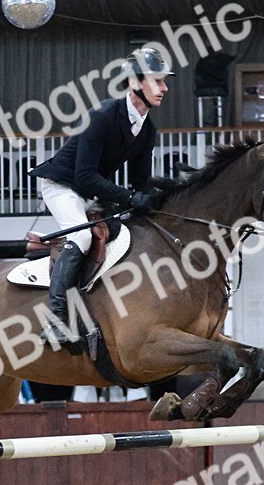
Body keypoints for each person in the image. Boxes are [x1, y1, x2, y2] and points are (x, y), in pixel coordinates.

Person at [30, 46, 174, 346]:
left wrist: (158, 204)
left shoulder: (147, 129)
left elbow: (140, 182)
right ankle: (54, 321)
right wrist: (130, 198)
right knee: (82, 237)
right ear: (134, 82)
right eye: (157, 81)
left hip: (91, 191)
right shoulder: (102, 115)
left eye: (164, 81)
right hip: (63, 185)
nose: (164, 88)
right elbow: (84, 176)